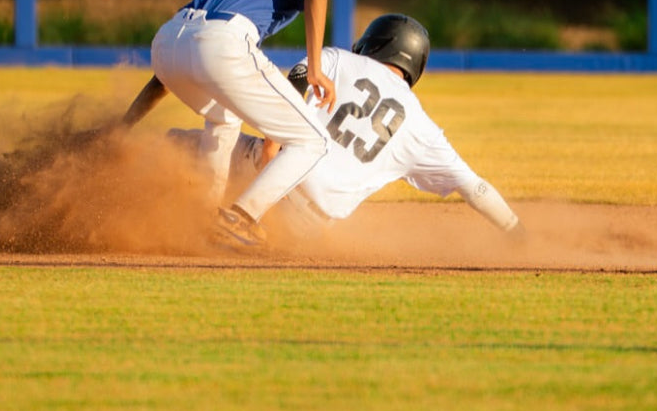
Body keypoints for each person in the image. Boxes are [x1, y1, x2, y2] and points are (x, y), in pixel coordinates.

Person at [165, 13, 522, 241]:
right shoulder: (422, 128)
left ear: (375, 43)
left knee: (175, 146)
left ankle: (142, 219)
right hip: (309, 229)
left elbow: (294, 89)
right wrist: (517, 233)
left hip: (271, 172)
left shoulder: (338, 59)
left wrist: (270, 148)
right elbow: (475, 189)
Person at [130, 0, 337, 249]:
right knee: (312, 141)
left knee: (223, 120)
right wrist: (314, 67)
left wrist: (124, 123)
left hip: (166, 41)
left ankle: (204, 219)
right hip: (221, 41)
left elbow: (166, 74)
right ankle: (240, 219)